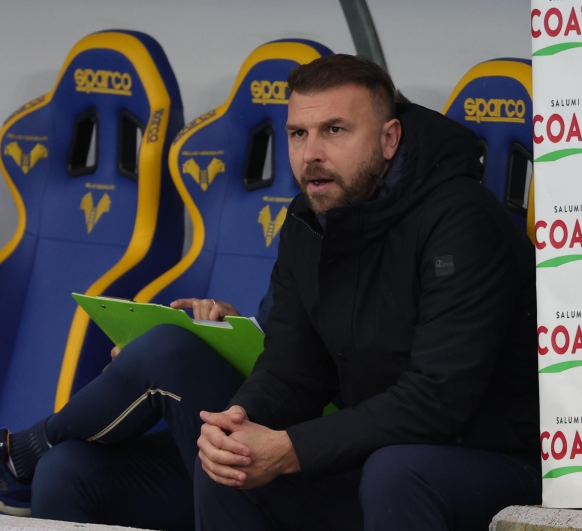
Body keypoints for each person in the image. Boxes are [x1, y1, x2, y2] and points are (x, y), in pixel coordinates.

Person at [193, 54, 540, 531]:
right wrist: (238, 422)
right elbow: (291, 371)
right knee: (230, 468)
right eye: (298, 134)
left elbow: (438, 399)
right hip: (386, 456)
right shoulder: (307, 222)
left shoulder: (462, 220)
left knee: (397, 472)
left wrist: (291, 449)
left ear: (389, 138)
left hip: (500, 462)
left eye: (334, 130)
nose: (311, 153)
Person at [0, 294, 267, 530]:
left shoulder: (318, 226)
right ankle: (26, 460)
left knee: (167, 353)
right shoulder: (305, 226)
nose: (309, 162)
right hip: (232, 451)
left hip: (297, 467)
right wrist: (232, 330)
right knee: (63, 470)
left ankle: (19, 453)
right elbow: (281, 350)